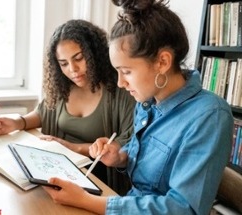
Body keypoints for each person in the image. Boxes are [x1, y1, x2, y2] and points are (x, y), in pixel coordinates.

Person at [42, 0, 234, 214]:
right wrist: (120, 157)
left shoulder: (209, 116)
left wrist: (88, 201)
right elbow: (140, 163)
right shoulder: (146, 104)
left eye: (126, 71)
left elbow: (182, 208)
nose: (120, 83)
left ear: (162, 61)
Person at [0, 19, 136, 194]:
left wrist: (72, 148)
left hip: (99, 182)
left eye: (79, 58)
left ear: (94, 53)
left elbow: (128, 146)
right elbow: (43, 112)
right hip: (61, 172)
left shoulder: (121, 89)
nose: (72, 69)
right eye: (64, 63)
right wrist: (17, 123)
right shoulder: (64, 86)